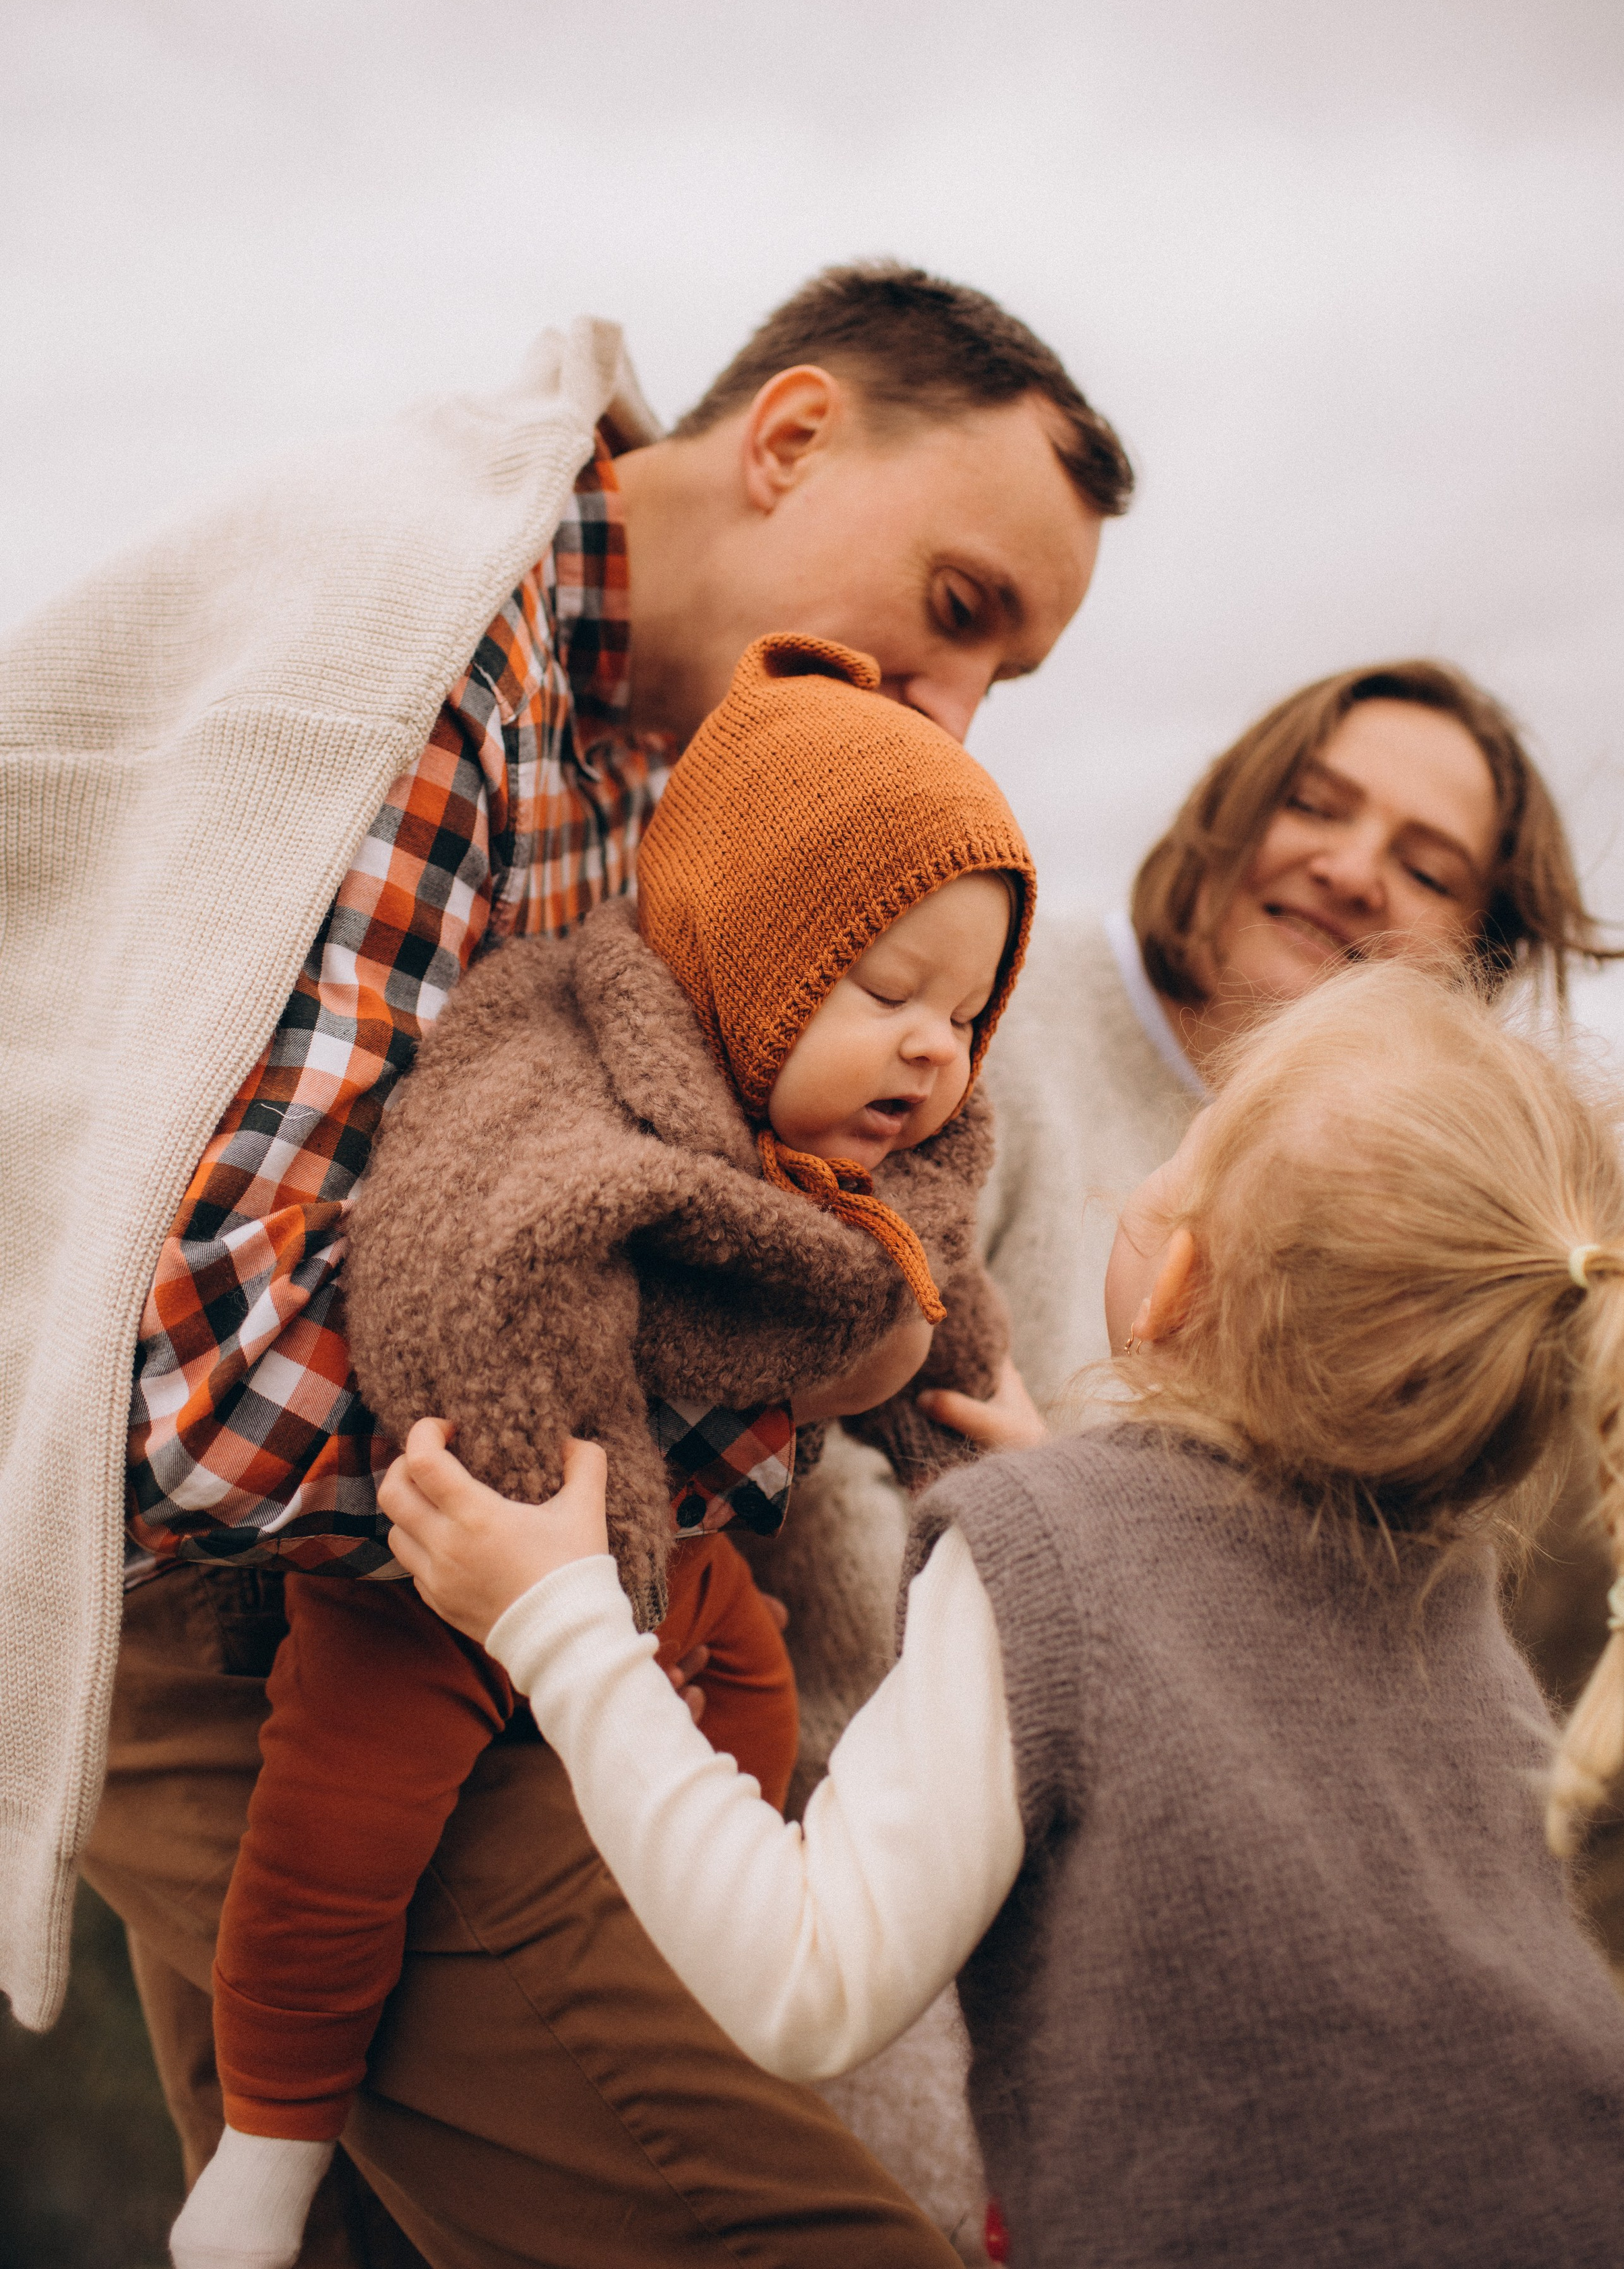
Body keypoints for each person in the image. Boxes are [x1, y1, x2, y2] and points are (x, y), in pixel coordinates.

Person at [1, 262, 1130, 2265]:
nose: (947, 708)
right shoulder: (440, 648)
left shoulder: (710, 799)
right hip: (253, 1622)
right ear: (786, 439)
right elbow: (215, 1401)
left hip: (515, 1610)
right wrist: (723, 1404)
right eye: (959, 609)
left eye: (1003, 679)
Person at [379, 958, 1624, 2269]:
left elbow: (806, 1980)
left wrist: (558, 1618)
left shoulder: (1051, 1556)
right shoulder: (1450, 1613)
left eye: (1178, 1158)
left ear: (1176, 1277)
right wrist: (1053, 1490)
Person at [174, 632, 1034, 2269]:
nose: (936, 1049)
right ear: (749, 950)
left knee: (756, 1716)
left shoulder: (890, 1135)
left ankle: (668, 1931)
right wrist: (549, 1543)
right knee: (333, 1835)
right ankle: (269, 2140)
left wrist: (979, 1422)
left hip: (681, 1567)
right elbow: (466, 1243)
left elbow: (930, 1266)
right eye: (887, 993)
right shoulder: (559, 1059)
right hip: (460, 1544)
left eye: (969, 1009)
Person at [969, 659, 1624, 1411]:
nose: (1353, 873)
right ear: (1226, 805)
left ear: (1477, 959)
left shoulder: (1435, 1218)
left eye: (1426, 873)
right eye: (1313, 806)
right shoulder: (980, 1011)